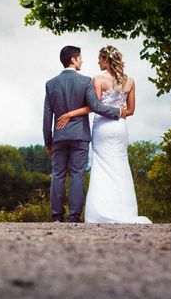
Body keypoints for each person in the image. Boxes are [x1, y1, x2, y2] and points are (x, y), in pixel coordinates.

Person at [56, 45, 152, 224]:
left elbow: (95, 107)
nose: (97, 62)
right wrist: (118, 111)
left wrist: (69, 114)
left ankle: (101, 211)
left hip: (102, 127)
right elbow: (130, 111)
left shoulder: (97, 80)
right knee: (121, 165)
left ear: (106, 60)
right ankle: (125, 210)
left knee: (101, 166)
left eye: (100, 59)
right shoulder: (130, 81)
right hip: (120, 128)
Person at [43, 45, 125, 223]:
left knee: (57, 174)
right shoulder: (86, 81)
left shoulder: (50, 84)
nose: (82, 61)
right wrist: (117, 112)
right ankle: (74, 217)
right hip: (80, 136)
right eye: (80, 58)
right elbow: (95, 106)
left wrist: (48, 141)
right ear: (73, 60)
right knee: (77, 174)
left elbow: (47, 116)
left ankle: (57, 217)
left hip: (59, 136)